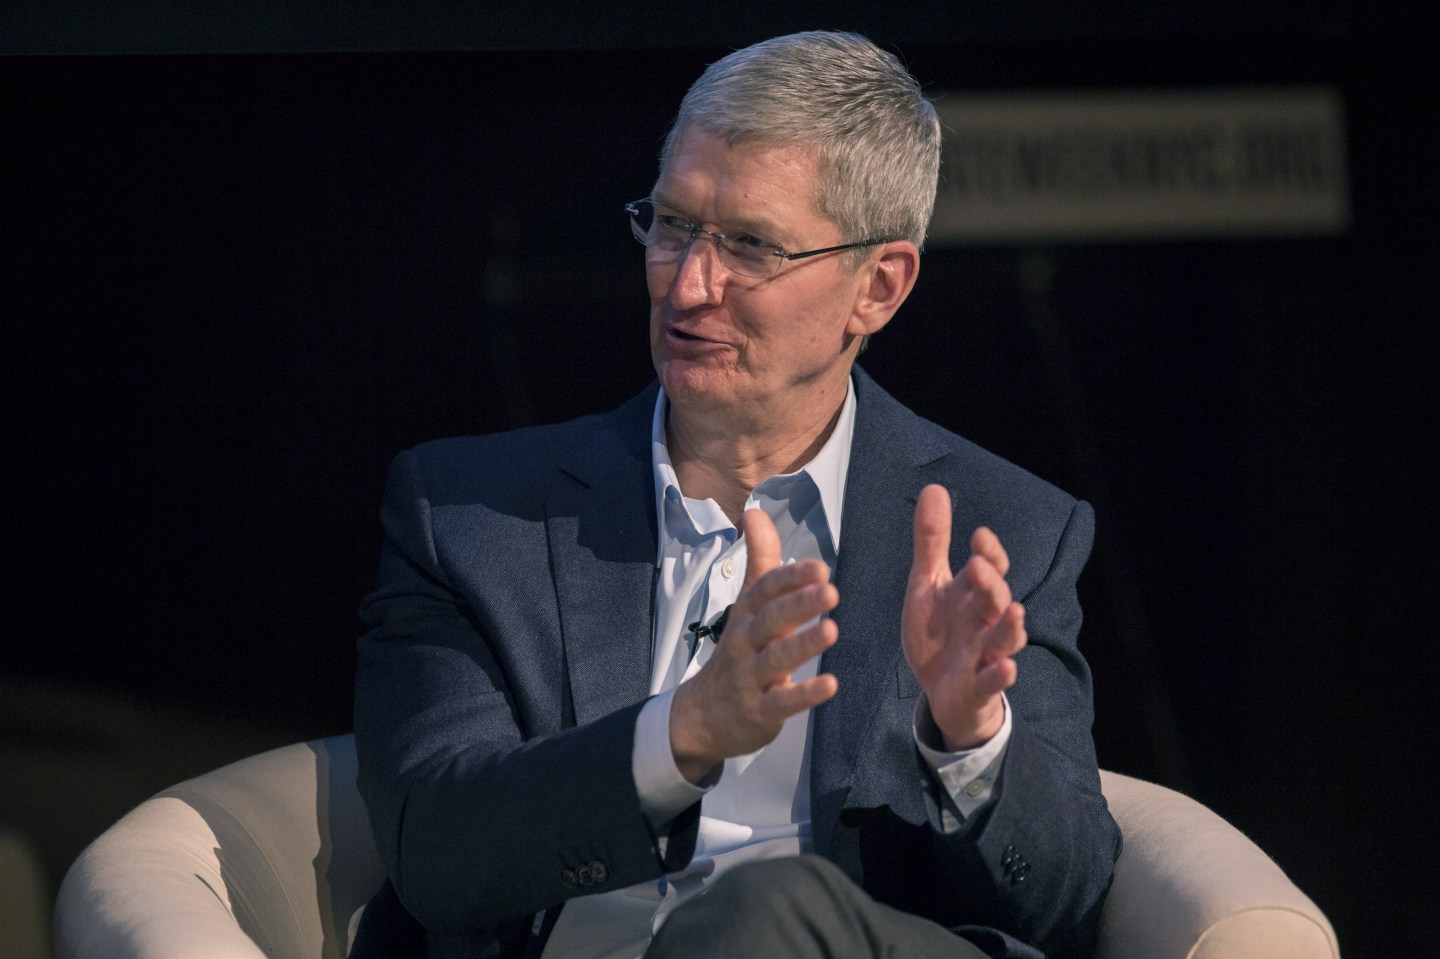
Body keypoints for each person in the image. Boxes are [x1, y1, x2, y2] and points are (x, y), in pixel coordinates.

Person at [353, 30, 1120, 959]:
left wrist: (970, 737)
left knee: (763, 914)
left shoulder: (1004, 534)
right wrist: (681, 734)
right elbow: (434, 850)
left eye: (751, 245)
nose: (688, 284)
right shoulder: (469, 516)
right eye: (672, 225)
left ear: (878, 287)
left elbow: (1066, 908)